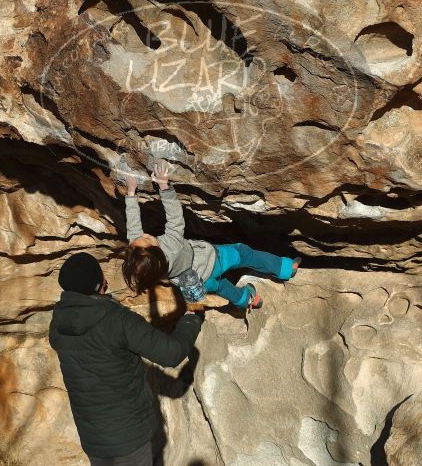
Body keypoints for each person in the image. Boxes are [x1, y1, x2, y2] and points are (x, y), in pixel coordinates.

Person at [49, 252, 204, 465]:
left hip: (93, 439)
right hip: (129, 438)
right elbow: (171, 353)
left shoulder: (58, 322)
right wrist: (191, 321)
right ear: (98, 285)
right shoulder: (118, 321)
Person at [122, 161, 301, 310]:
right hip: (213, 260)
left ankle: (248, 300)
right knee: (245, 254)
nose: (144, 234)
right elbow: (175, 217)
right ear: (154, 249)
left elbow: (134, 231)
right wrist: (164, 186)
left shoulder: (149, 265)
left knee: (222, 286)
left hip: (199, 283)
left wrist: (131, 194)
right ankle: (285, 268)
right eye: (147, 238)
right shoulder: (172, 245)